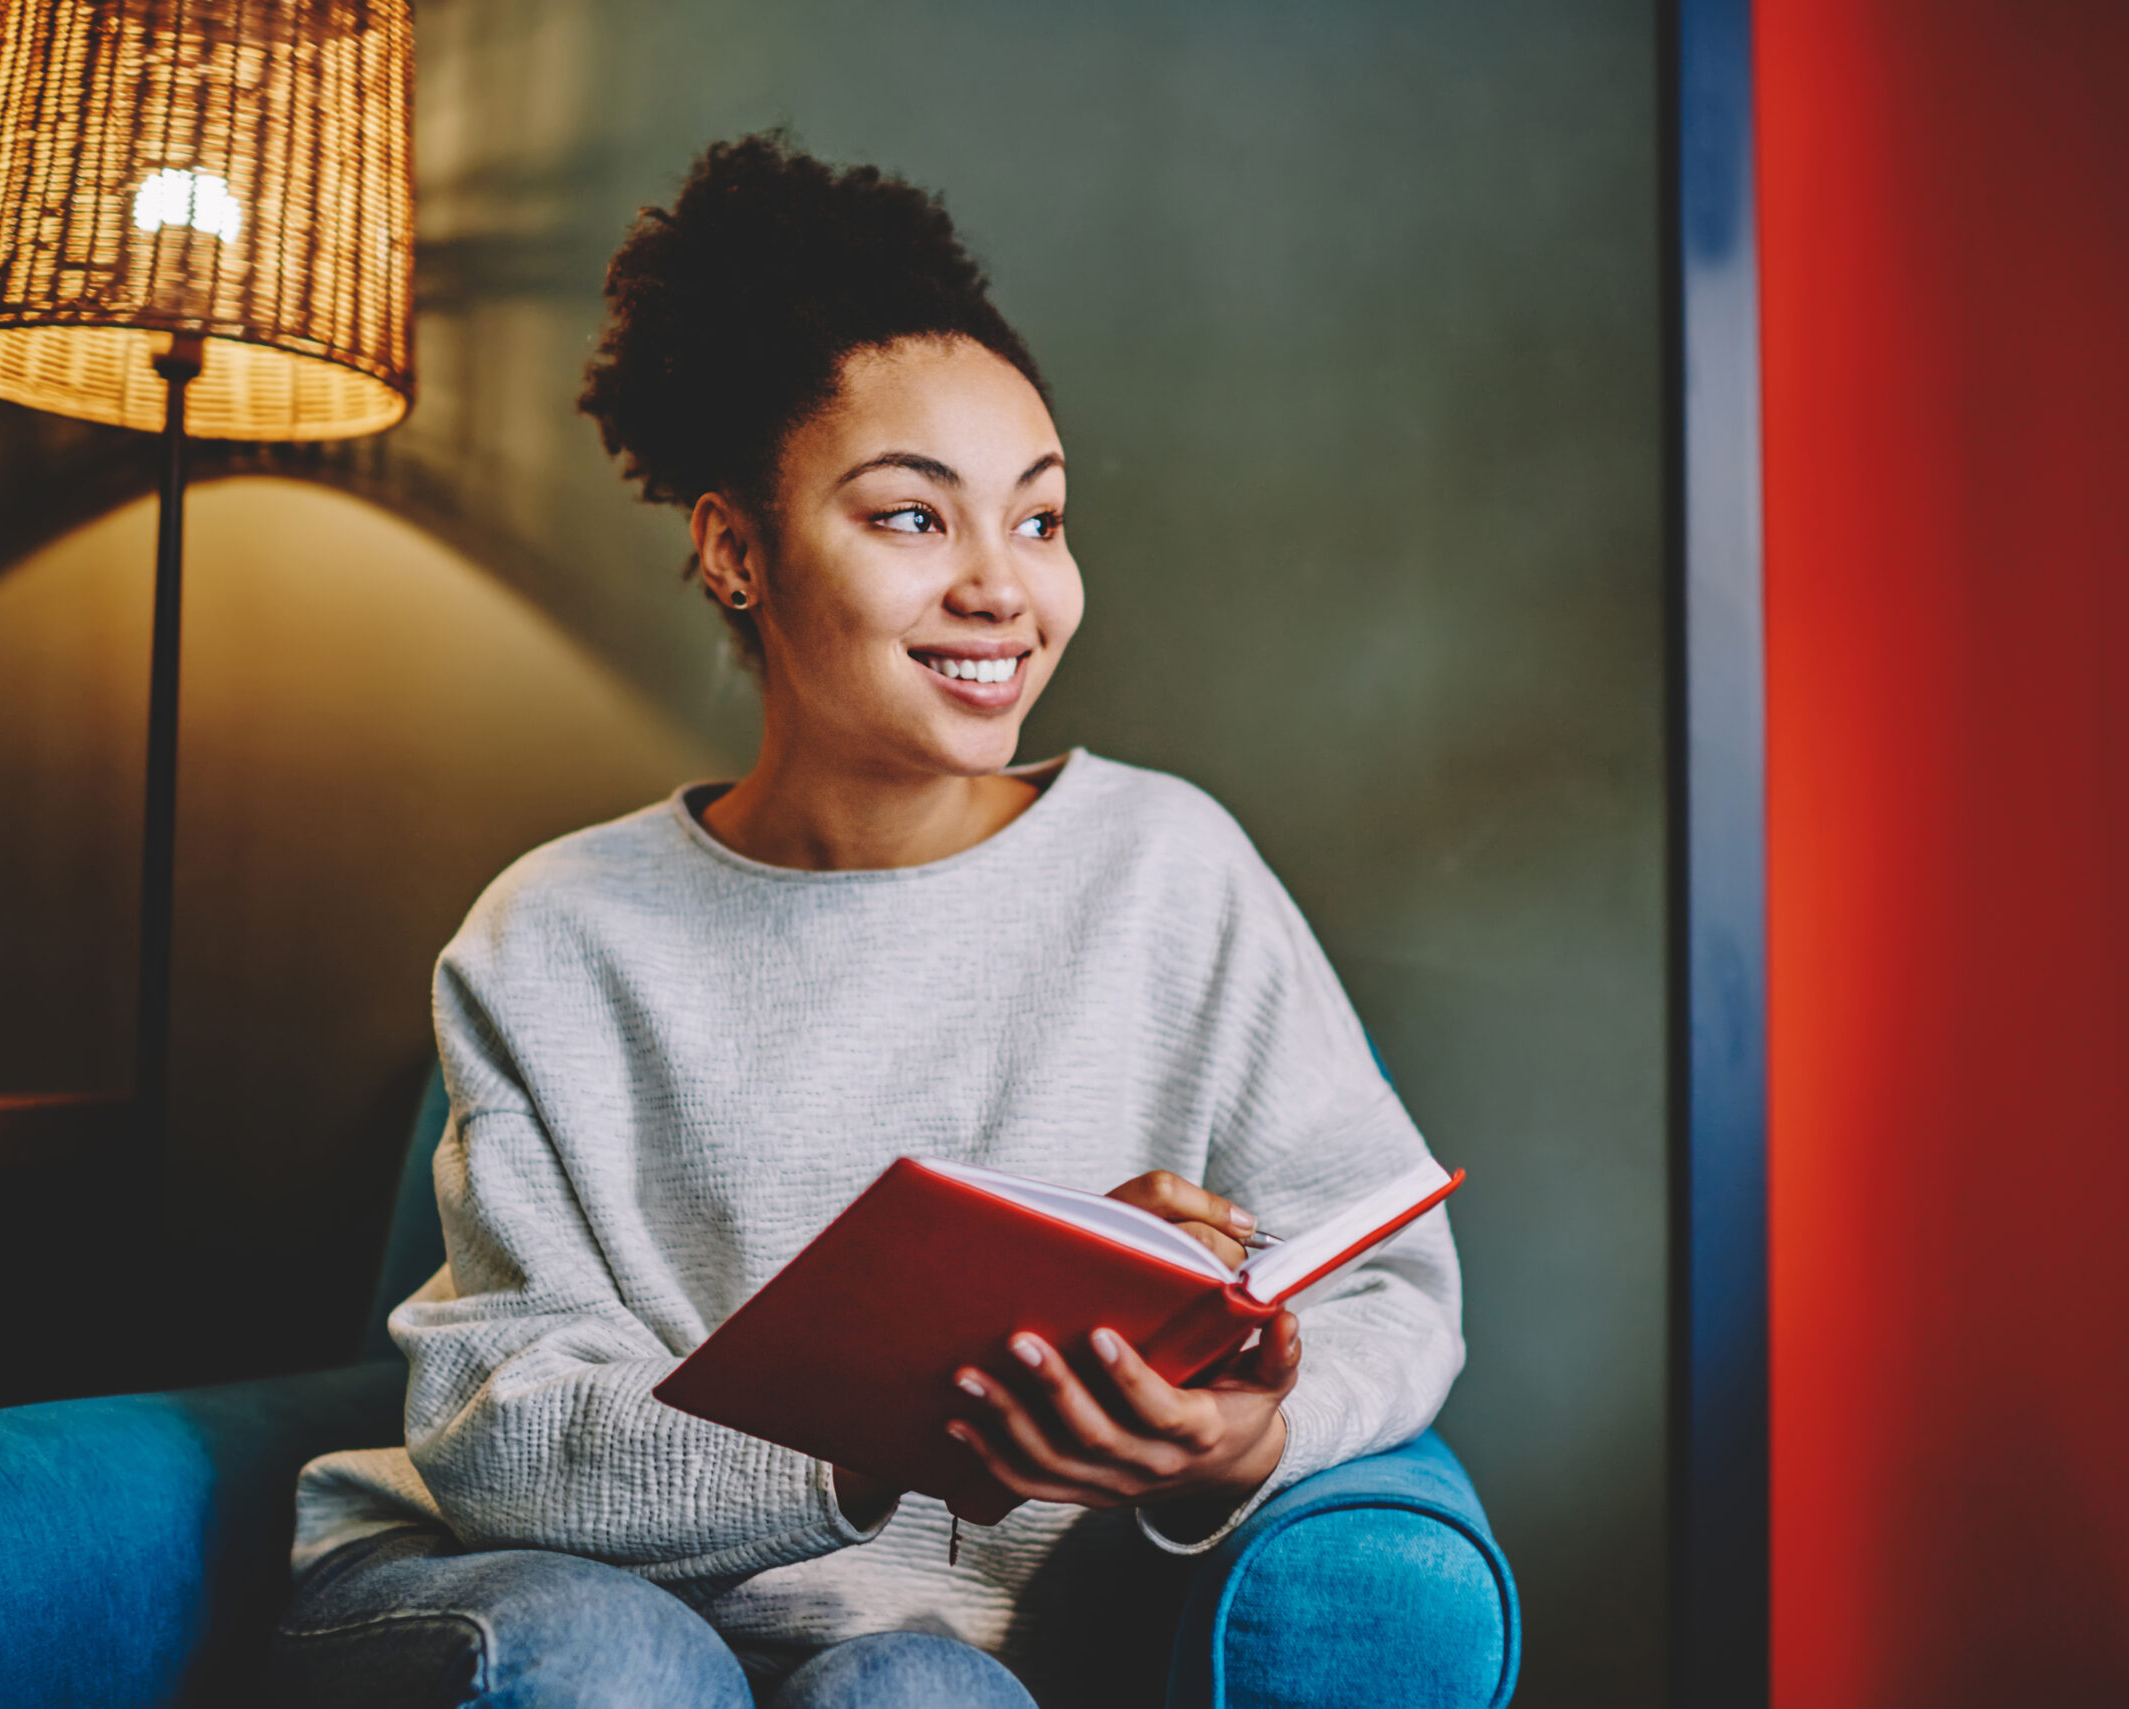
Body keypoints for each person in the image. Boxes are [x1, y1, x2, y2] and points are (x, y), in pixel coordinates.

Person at [274, 133, 1463, 1708]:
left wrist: (1231, 1439)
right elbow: (504, 1435)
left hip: (941, 1656)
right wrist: (933, 1374)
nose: (1003, 588)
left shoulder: (1170, 871)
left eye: (1038, 520)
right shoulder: (553, 931)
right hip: (557, 1595)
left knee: (917, 1691)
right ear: (735, 550)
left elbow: (1389, 1287)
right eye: (915, 517)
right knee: (612, 1667)